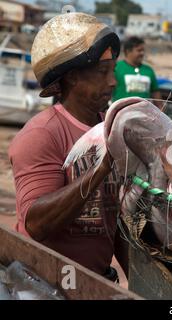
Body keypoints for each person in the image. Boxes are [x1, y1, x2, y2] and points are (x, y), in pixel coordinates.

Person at [8, 13, 127, 280]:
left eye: (113, 71)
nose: (113, 82)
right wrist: (102, 167)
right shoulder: (42, 134)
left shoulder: (110, 128)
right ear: (72, 77)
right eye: (102, 72)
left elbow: (115, 223)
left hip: (95, 283)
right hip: (42, 282)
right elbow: (37, 225)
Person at [112, 36, 162, 107]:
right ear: (128, 51)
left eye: (143, 50)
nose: (142, 53)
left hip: (145, 114)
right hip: (122, 114)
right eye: (139, 50)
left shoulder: (148, 70)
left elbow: (156, 93)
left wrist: (161, 111)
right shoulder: (116, 68)